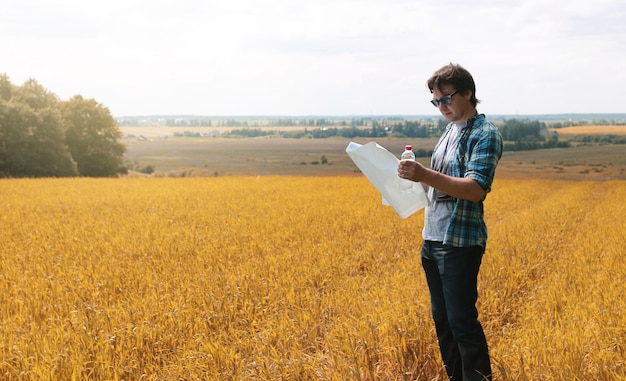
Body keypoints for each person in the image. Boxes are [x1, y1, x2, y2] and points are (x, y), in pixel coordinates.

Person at [398, 63, 503, 380]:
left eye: (446, 98)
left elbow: (474, 189)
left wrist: (424, 174)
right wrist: (409, 182)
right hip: (432, 239)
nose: (441, 106)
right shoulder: (448, 132)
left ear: (468, 93)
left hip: (459, 242)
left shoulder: (485, 135)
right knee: (443, 324)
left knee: (462, 324)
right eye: (436, 102)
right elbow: (436, 184)